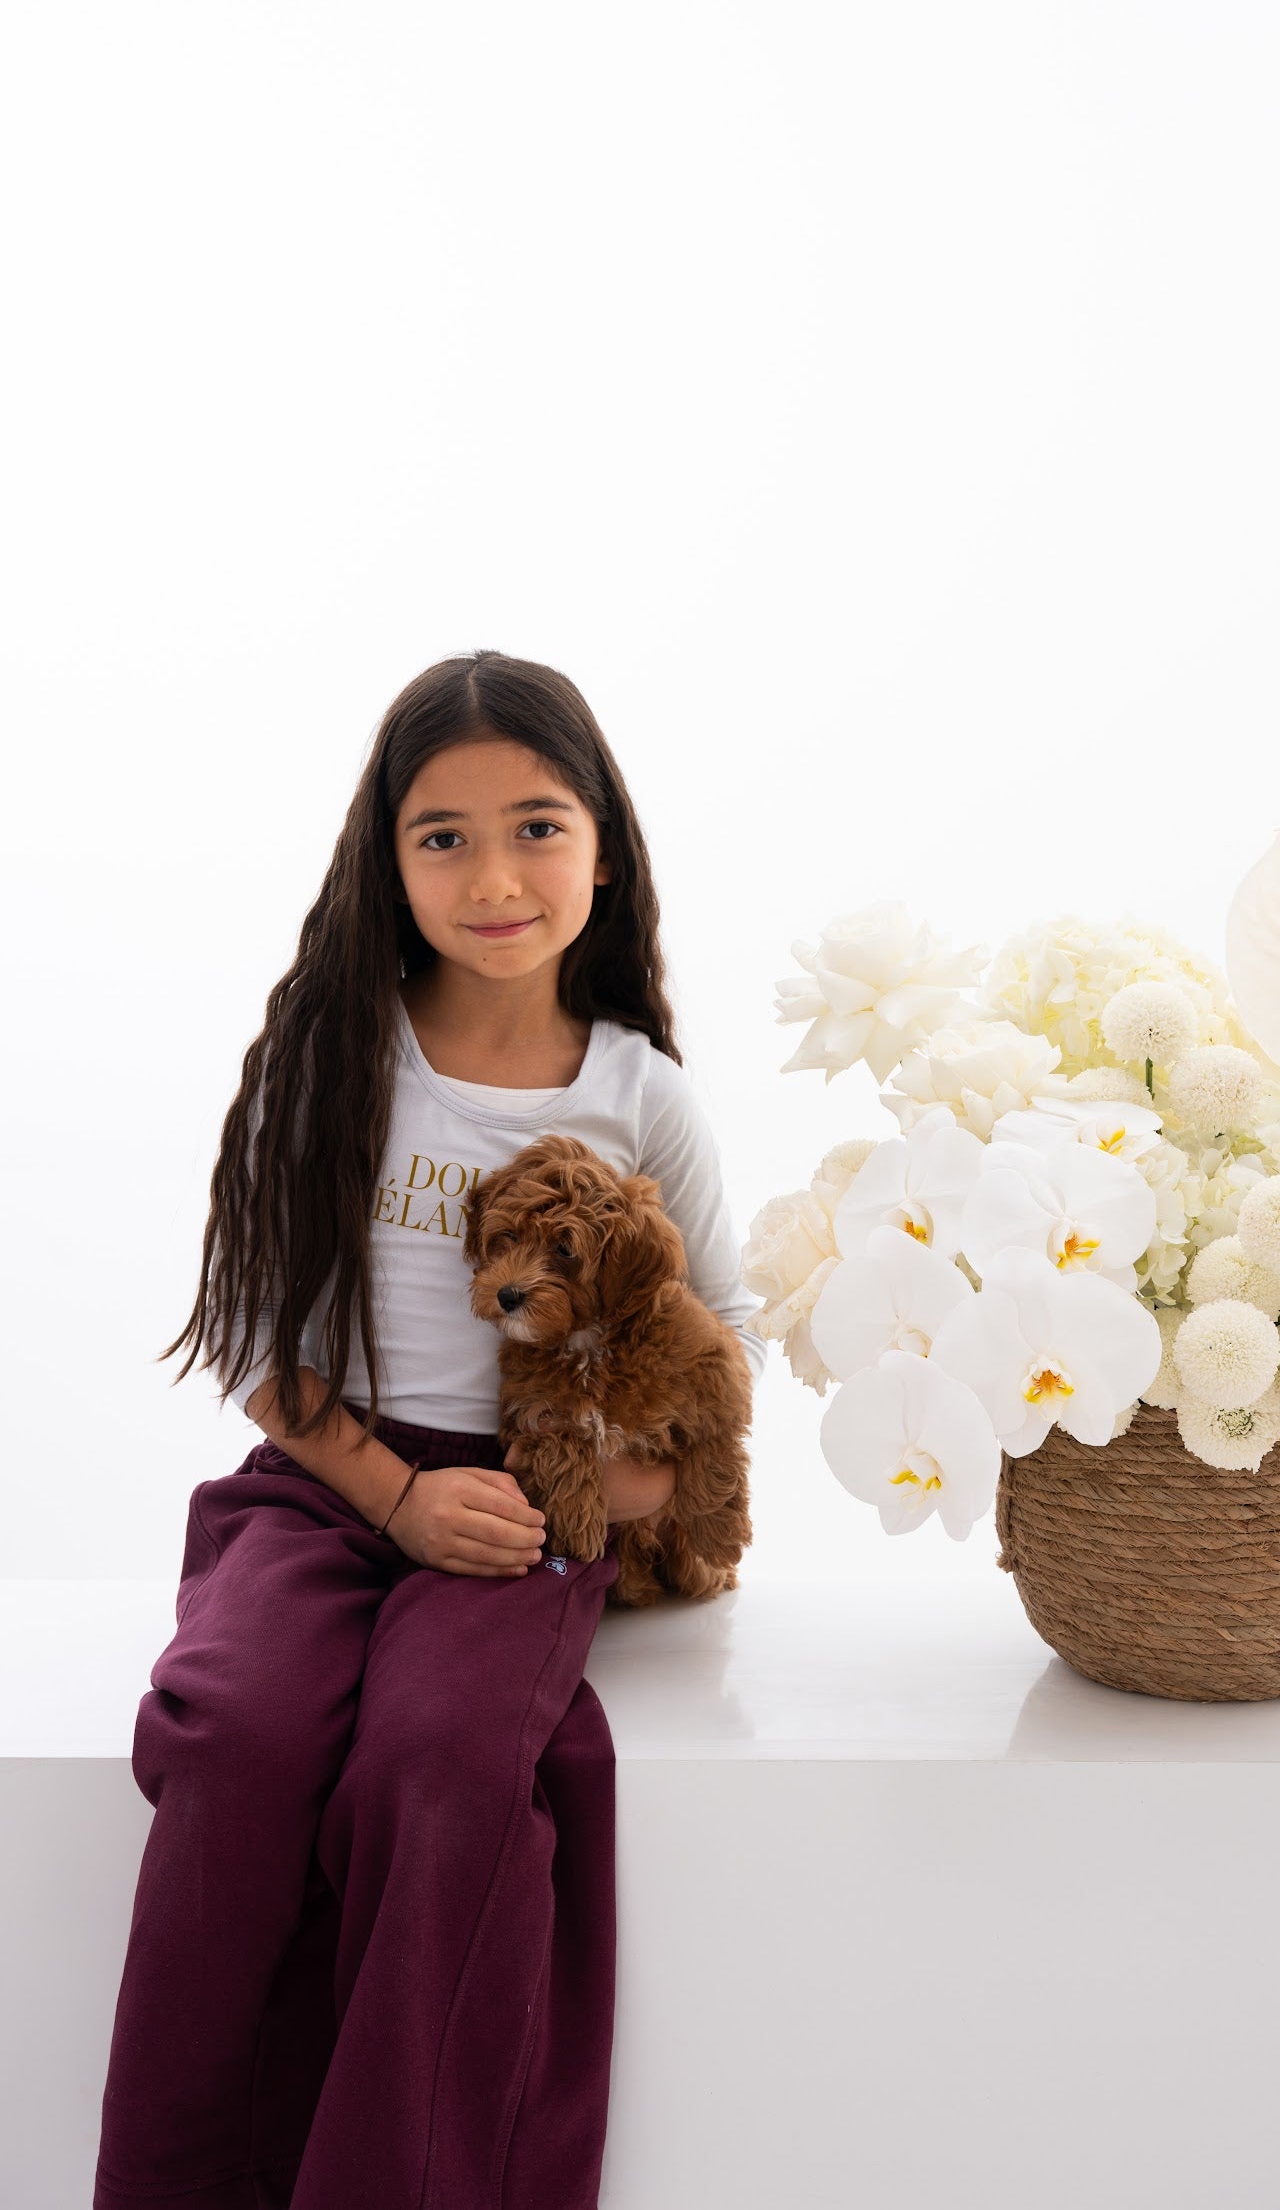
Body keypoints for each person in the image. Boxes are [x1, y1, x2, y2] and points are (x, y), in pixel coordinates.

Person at [93, 650, 765, 2210]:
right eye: (442, 835)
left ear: (604, 843)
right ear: (385, 863)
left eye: (537, 825)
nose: (496, 875)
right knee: (237, 1732)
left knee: (440, 1764)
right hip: (329, 1477)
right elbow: (264, 1350)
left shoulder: (641, 1095)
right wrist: (396, 1503)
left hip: (531, 1500)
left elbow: (721, 1330)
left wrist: (632, 1484)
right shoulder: (334, 1061)